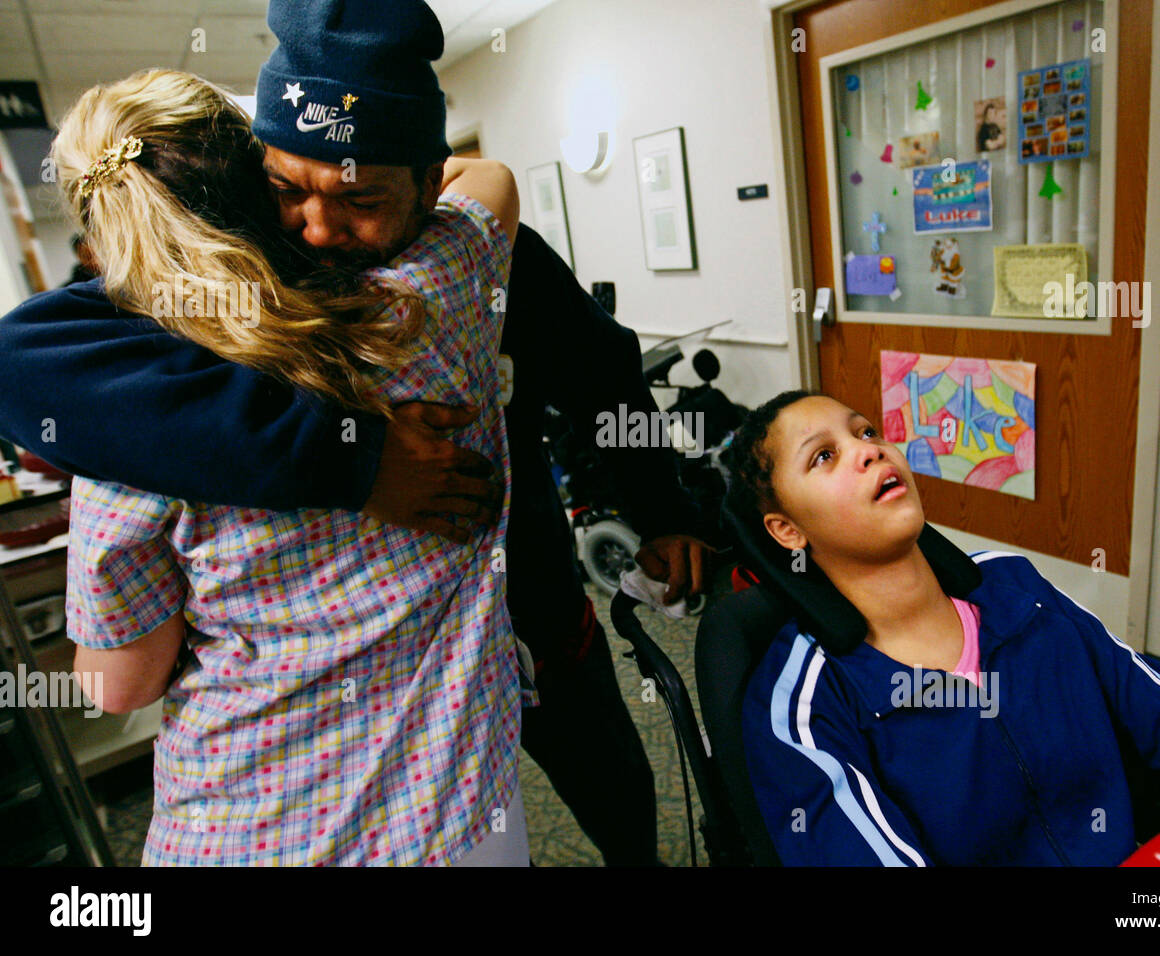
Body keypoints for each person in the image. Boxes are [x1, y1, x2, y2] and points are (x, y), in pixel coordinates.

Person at [0, 0, 710, 865]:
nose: (318, 229)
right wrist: (358, 458)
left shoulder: (478, 262)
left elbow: (601, 371)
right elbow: (32, 354)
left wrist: (659, 506)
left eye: (362, 198)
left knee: (614, 792)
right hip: (393, 720)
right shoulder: (197, 319)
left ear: (429, 180)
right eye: (285, 189)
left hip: (523, 591)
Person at [49, 59, 524, 866]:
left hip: (250, 830)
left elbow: (116, 687)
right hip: (459, 807)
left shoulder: (122, 435)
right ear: (254, 174)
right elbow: (492, 177)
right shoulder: (430, 297)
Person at [728, 390, 1160, 866]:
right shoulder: (803, 703)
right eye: (824, 456)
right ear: (786, 531)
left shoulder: (1016, 590)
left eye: (868, 432)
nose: (868, 452)